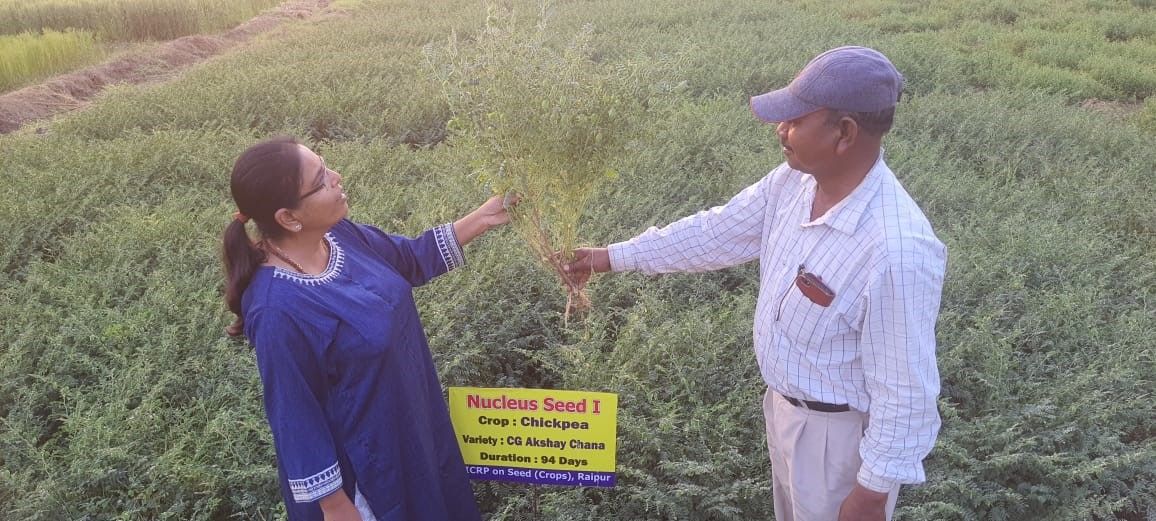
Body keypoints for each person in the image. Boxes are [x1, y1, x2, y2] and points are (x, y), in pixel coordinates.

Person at [564, 46, 947, 521]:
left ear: (844, 133)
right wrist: (608, 258)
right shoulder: (793, 183)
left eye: (795, 119)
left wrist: (871, 492)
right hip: (783, 410)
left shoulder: (896, 248)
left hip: (839, 444)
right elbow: (715, 232)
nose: (780, 130)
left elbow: (905, 389)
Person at [221, 136, 511, 521]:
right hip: (370, 472)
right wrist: (336, 506)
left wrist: (484, 217)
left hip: (414, 426)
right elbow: (294, 414)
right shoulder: (278, 310)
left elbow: (406, 259)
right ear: (289, 218)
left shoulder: (339, 236)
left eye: (326, 166)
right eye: (321, 179)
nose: (337, 177)